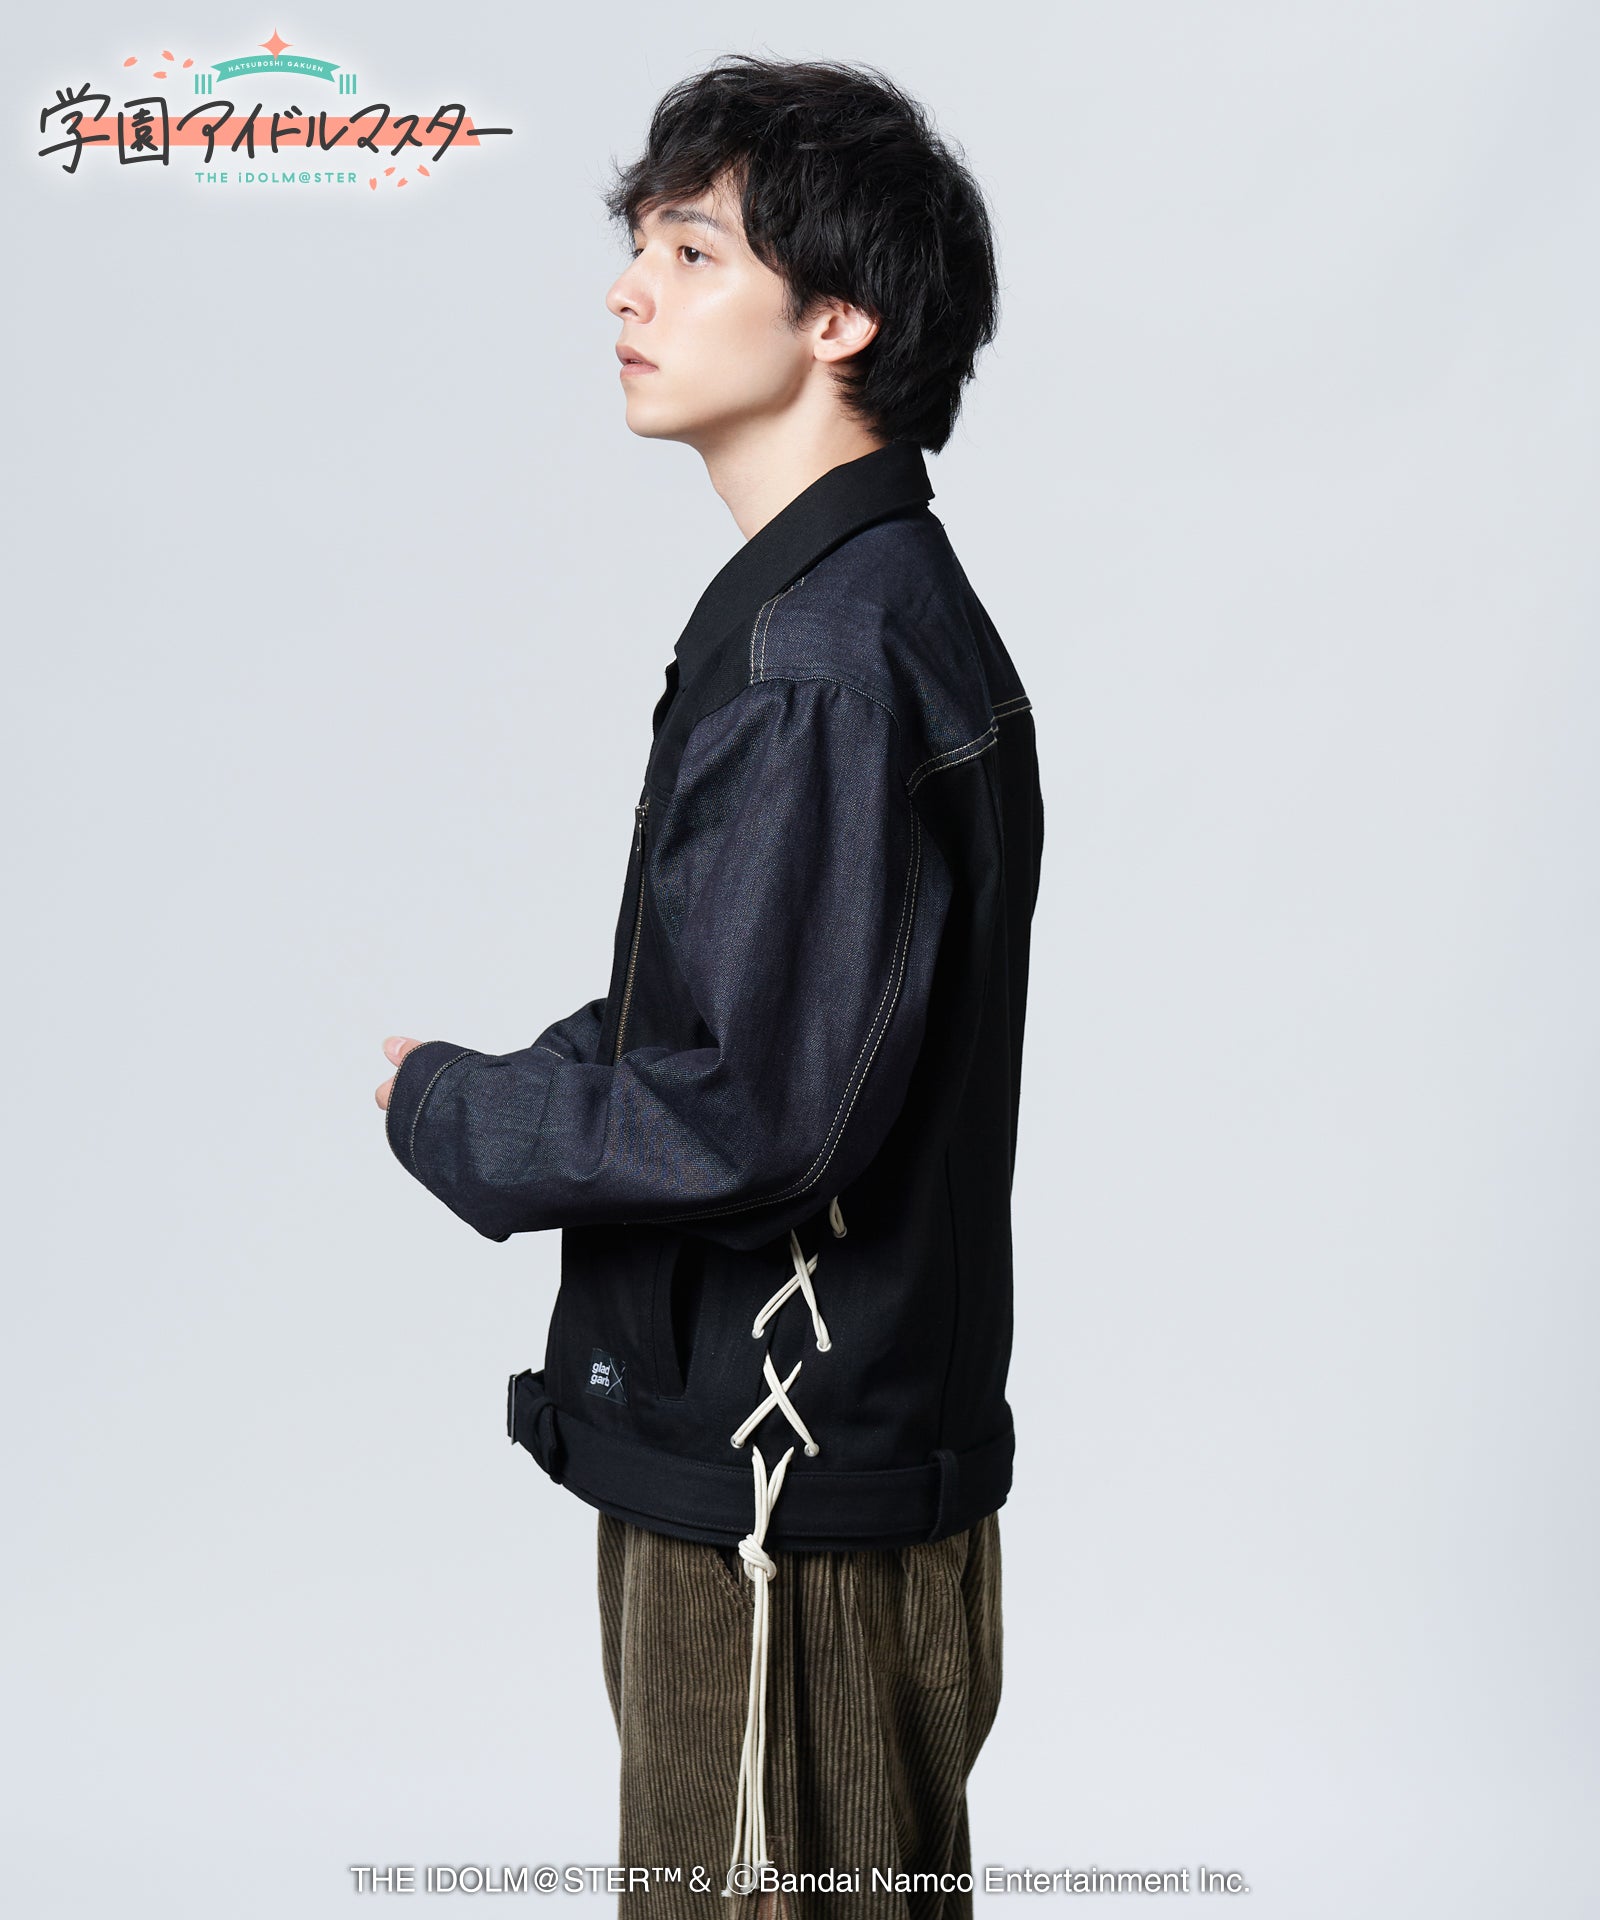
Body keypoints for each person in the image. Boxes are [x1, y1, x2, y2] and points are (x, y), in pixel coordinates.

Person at [376, 53, 1043, 1920]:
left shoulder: (826, 658)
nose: (629, 290)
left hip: (777, 1498)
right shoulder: (848, 614)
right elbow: (749, 1023)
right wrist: (515, 1074)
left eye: (692, 251)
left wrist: (456, 1108)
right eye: (640, 246)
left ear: (841, 319)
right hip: (808, 1472)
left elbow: (750, 1112)